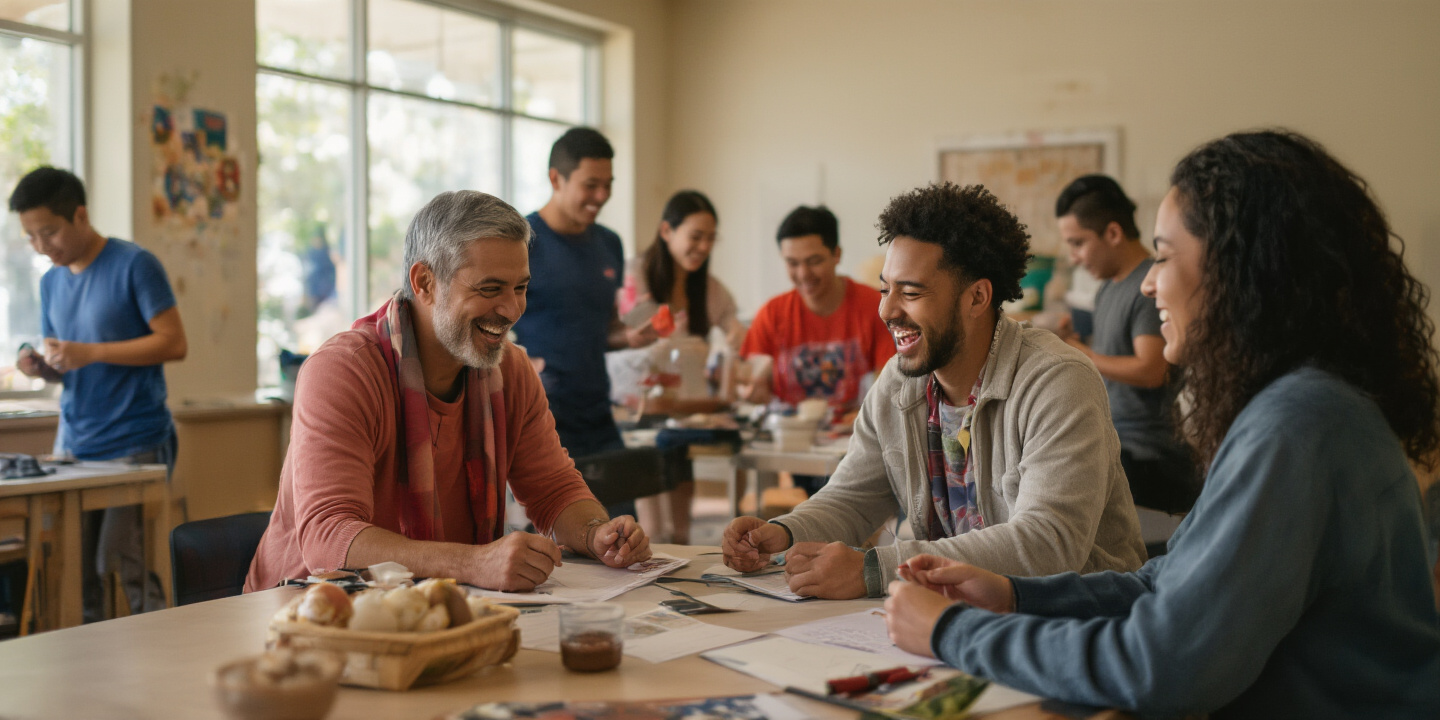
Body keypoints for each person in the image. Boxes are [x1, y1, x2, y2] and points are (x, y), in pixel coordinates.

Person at [885, 131, 1440, 718]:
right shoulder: (1307, 404)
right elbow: (1167, 582)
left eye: (1166, 257)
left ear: (1241, 270)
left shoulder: (1295, 427)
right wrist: (1014, 593)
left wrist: (953, 633)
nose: (1149, 282)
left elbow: (1161, 664)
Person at [723, 183, 1145, 599]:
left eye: (910, 293)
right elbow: (852, 497)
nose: (886, 311)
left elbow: (1048, 544)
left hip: (1079, 622)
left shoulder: (1058, 380)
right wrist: (783, 531)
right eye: (885, 289)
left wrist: (877, 569)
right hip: (960, 616)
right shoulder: (898, 383)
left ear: (977, 297)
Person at [245, 191, 650, 592]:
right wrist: (473, 562)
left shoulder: (512, 369)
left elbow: (555, 491)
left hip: (430, 604)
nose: (511, 309)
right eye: (490, 289)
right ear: (424, 283)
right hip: (303, 611)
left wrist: (596, 534)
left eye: (521, 287)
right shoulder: (343, 371)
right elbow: (330, 539)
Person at [9, 166, 188, 619]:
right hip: (74, 446)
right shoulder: (51, 282)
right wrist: (43, 367)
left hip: (136, 442)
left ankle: (155, 665)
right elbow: (69, 367)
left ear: (81, 215)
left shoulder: (134, 264)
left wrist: (90, 352)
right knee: (73, 571)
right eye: (31, 237)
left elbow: (174, 342)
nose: (41, 246)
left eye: (48, 232)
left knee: (124, 563)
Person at [510, 127, 653, 517]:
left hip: (598, 415)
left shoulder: (609, 243)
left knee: (623, 534)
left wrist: (630, 336)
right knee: (555, 543)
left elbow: (604, 329)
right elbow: (488, 327)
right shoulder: (520, 242)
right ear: (556, 178)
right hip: (542, 417)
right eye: (591, 185)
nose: (601, 197)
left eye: (608, 185)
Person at [1055, 175, 1198, 514]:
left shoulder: (1149, 287)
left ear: (1113, 233)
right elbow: (1116, 354)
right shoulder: (1108, 287)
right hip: (1121, 444)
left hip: (1149, 454)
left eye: (1078, 243)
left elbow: (1150, 369)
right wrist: (1079, 341)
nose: (1074, 257)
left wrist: (1083, 353)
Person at [738, 205, 895, 496]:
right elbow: (754, 385)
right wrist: (753, 386)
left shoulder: (874, 308)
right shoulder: (773, 314)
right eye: (792, 263)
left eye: (813, 261)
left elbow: (889, 384)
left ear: (837, 254)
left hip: (855, 447)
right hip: (795, 446)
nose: (803, 274)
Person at [620, 190, 744, 544]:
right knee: (654, 532)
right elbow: (636, 344)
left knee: (679, 535)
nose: (703, 247)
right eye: (695, 236)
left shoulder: (709, 289)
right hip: (640, 412)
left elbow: (736, 330)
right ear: (666, 232)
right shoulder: (637, 275)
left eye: (710, 238)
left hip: (681, 414)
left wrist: (736, 337)